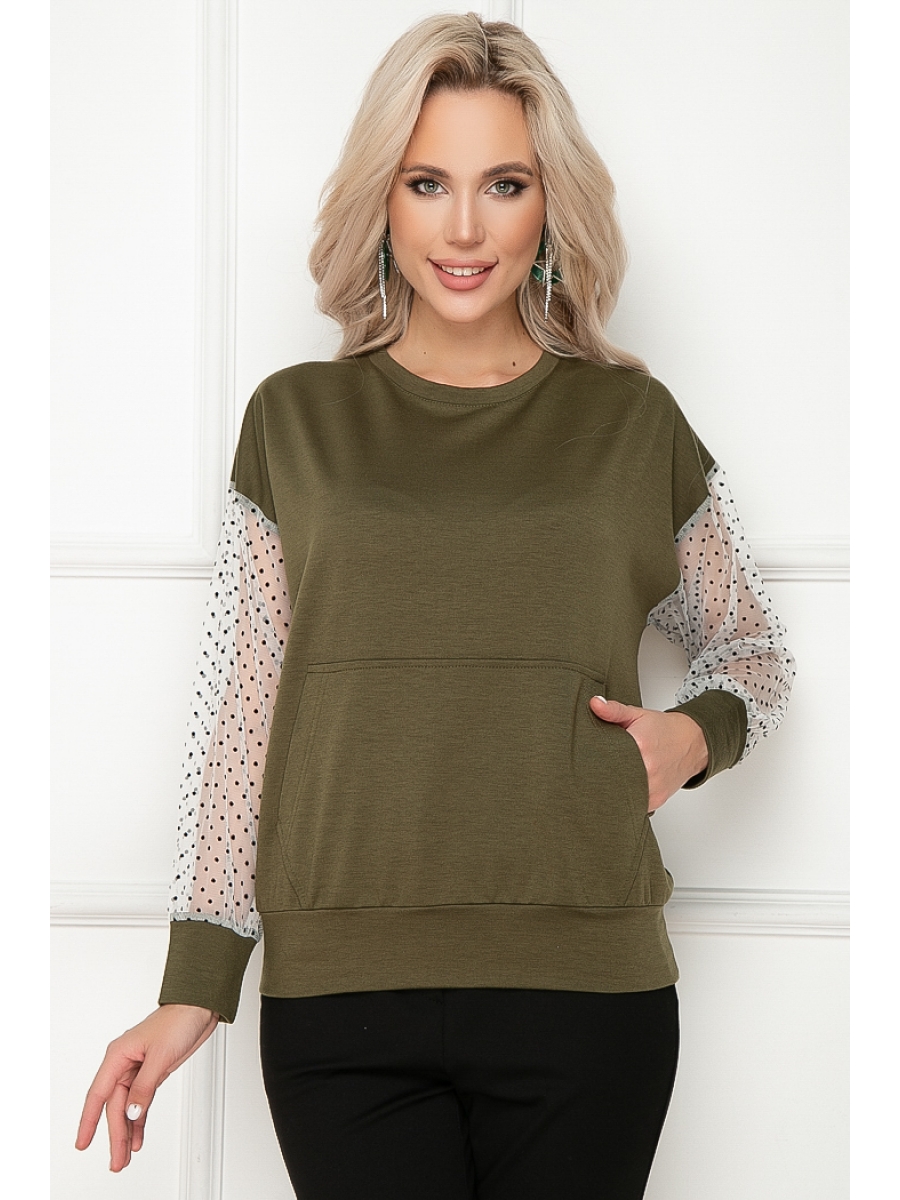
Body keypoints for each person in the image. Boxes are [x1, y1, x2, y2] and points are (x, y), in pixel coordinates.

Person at [76, 13, 795, 1198]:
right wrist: (194, 985)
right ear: (383, 200)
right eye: (427, 183)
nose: (464, 228)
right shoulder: (295, 421)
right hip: (342, 1008)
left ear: (550, 205)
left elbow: (753, 649)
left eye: (504, 184)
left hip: (589, 1001)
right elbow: (245, 710)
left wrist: (691, 739)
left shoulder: (631, 423)